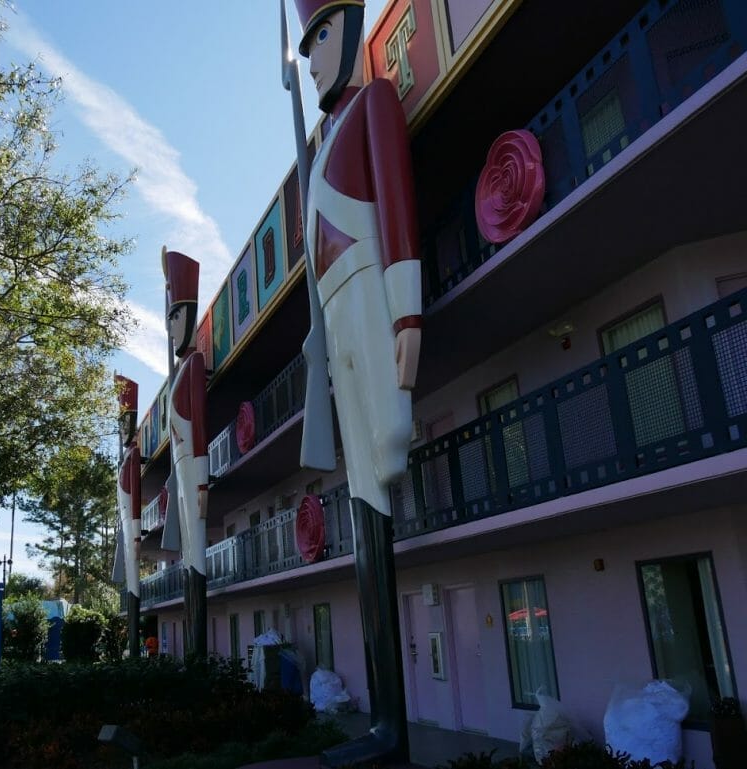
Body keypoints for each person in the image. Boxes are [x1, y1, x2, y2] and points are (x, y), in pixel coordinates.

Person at [292, 0, 422, 764]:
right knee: (361, 477)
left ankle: (395, 725)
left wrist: (407, 316)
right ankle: (386, 720)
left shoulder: (374, 102)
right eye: (305, 47)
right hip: (335, 317)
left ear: (347, 27)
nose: (312, 61)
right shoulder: (319, 141)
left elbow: (398, 206)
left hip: (372, 288)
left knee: (387, 444)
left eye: (321, 40)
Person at [163, 249, 209, 659]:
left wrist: (203, 479)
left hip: (194, 467)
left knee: (197, 555)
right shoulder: (180, 371)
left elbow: (200, 430)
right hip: (181, 470)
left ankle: (197, 657)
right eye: (169, 317)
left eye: (176, 316)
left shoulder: (194, 365)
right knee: (188, 553)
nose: (171, 325)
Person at [116, 374, 143, 659]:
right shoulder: (125, 458)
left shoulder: (134, 456)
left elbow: (135, 497)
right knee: (130, 585)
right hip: (126, 530)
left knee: (135, 587)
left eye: (126, 422)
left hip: (131, 528)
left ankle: (135, 651)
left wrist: (136, 535)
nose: (122, 429)